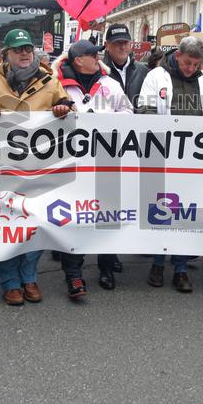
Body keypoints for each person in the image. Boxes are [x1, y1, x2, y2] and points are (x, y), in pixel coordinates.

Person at [0, 28, 74, 306]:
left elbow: (68, 108)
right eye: (18, 50)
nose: (25, 53)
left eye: (28, 48)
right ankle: (9, 282)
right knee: (6, 224)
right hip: (1, 165)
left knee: (34, 222)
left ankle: (29, 277)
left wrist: (63, 109)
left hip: (38, 165)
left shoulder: (50, 80)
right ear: (7, 54)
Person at [51, 40, 133, 297]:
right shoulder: (57, 85)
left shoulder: (110, 84)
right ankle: (74, 275)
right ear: (78, 60)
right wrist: (57, 110)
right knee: (74, 218)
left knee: (107, 216)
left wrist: (105, 120)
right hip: (71, 163)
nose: (98, 58)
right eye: (92, 55)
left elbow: (130, 113)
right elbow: (43, 116)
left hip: (106, 162)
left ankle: (106, 267)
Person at [137, 36, 203, 292]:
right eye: (187, 62)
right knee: (162, 208)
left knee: (188, 212)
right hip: (163, 152)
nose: (190, 68)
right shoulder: (157, 75)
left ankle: (181, 267)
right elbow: (145, 108)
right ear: (178, 55)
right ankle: (158, 263)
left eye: (195, 64)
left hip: (195, 156)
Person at [102, 23, 149, 109]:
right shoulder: (99, 72)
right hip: (108, 121)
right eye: (118, 43)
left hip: (137, 121)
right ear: (107, 45)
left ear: (130, 44)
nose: (123, 47)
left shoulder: (143, 71)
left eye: (126, 42)